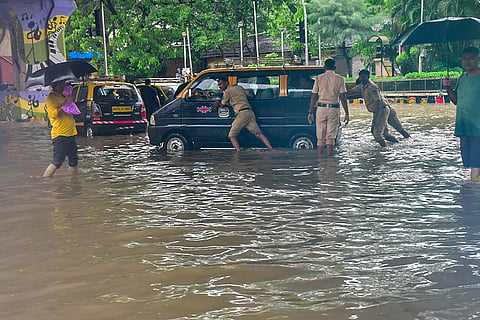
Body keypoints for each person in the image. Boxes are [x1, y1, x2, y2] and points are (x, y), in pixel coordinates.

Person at [443, 46, 480, 182]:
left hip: (478, 127)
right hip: (463, 126)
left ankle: (474, 193)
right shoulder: (462, 78)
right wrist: (447, 87)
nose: (467, 61)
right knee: (467, 162)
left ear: (478, 59)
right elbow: (456, 101)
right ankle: (470, 193)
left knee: (477, 161)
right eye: (464, 58)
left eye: (471, 58)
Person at [347, 69, 410, 147]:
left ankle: (384, 151)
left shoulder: (372, 87)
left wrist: (375, 118)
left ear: (368, 77)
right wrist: (340, 94)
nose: (361, 79)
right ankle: (398, 145)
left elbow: (378, 102)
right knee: (386, 134)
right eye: (360, 77)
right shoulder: (362, 86)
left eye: (363, 77)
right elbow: (352, 92)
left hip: (382, 109)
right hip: (385, 108)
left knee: (377, 133)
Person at [212, 77, 273, 151]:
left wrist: (218, 102)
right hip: (250, 112)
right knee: (259, 134)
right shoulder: (239, 87)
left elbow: (222, 104)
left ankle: (238, 154)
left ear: (226, 82)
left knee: (231, 135)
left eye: (221, 84)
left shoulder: (227, 91)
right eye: (219, 85)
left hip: (241, 114)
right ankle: (271, 149)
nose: (220, 86)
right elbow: (250, 95)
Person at [307, 58, 350, 156]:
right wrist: (347, 113)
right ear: (335, 67)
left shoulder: (319, 78)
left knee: (320, 136)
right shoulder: (340, 79)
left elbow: (314, 96)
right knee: (330, 137)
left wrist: (310, 112)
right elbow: (343, 97)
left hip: (321, 109)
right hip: (334, 109)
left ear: (324, 67)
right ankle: (329, 161)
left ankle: (320, 161)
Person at [43, 80, 79, 177]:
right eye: (62, 84)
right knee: (58, 161)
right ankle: (45, 180)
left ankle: (74, 180)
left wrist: (69, 100)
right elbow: (52, 114)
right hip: (60, 134)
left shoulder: (62, 96)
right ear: (56, 85)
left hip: (71, 133)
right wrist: (65, 103)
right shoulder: (51, 98)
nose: (64, 86)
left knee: (73, 159)